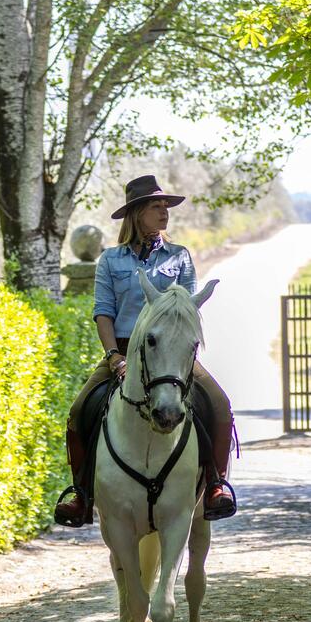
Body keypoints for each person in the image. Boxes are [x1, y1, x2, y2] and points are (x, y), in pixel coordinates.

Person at [54, 174, 238, 527]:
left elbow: (186, 312)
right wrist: (113, 357)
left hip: (170, 355)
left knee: (219, 404)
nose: (164, 212)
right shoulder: (110, 260)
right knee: (79, 411)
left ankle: (215, 483)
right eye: (156, 206)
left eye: (165, 206)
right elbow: (103, 312)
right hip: (123, 351)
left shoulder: (180, 257)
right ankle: (81, 494)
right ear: (137, 214)